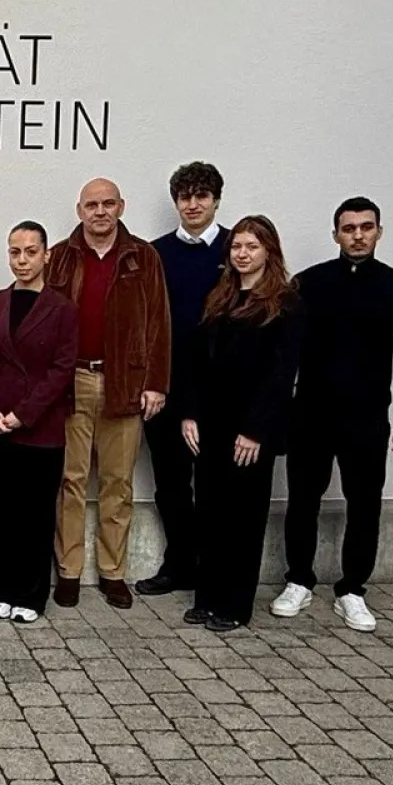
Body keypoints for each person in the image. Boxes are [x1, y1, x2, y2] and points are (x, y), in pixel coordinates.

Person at [272, 198, 393, 633]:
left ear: (379, 231)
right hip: (311, 415)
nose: (357, 235)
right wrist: (280, 411)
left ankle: (352, 589)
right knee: (303, 500)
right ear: (335, 233)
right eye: (348, 228)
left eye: (365, 227)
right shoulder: (308, 285)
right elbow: (288, 357)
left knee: (365, 503)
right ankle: (298, 581)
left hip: (366, 417)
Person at [47, 178, 171, 610]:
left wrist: (156, 382)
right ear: (79, 209)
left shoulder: (143, 256)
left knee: (118, 482)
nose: (100, 212)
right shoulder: (60, 257)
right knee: (71, 480)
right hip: (73, 383)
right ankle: (68, 571)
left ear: (121, 206)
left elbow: (160, 322)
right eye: (91, 205)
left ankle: (113, 572)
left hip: (124, 383)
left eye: (107, 204)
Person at [181, 215, 303, 632]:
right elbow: (197, 362)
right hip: (211, 425)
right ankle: (207, 597)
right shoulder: (219, 298)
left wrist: (256, 430)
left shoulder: (284, 304)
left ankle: (234, 605)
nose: (243, 253)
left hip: (250, 430)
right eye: (237, 246)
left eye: (252, 246)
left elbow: (281, 375)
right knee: (210, 511)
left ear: (269, 250)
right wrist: (191, 413)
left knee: (243, 518)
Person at [0, 221, 78, 624]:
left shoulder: (62, 308)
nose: (22, 260)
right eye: (15, 252)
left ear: (46, 255)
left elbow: (62, 368)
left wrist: (23, 414)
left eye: (31, 251)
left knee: (34, 515)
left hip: (40, 429)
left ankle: (30, 596)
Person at [138, 162, 230, 599]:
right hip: (166, 388)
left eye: (201, 196)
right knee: (171, 484)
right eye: (185, 197)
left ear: (216, 199)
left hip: (218, 392)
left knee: (215, 486)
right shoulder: (155, 254)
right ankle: (179, 565)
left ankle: (213, 569)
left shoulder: (237, 250)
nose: (193, 205)